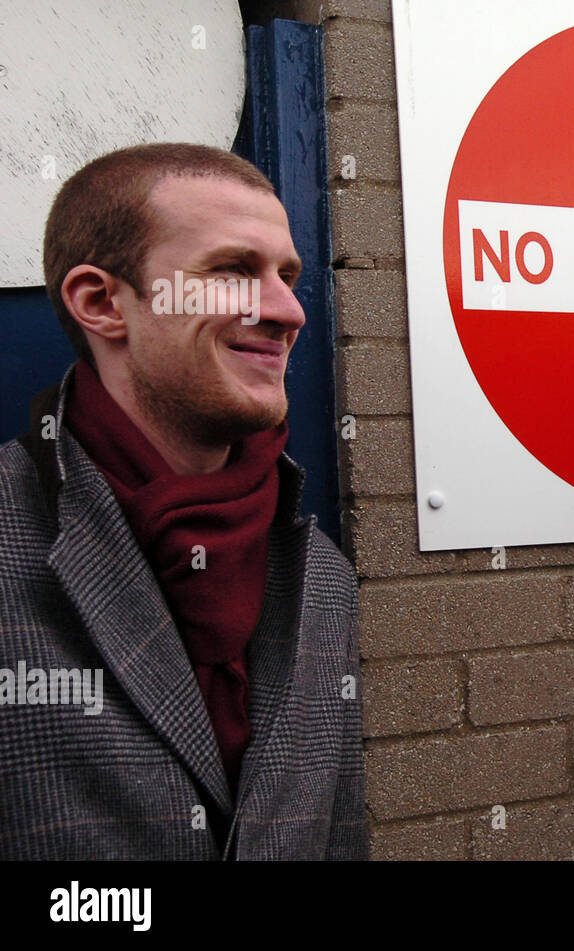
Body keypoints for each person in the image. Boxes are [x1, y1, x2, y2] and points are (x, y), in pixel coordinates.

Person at [0, 143, 367, 859]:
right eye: (234, 271)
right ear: (103, 302)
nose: (287, 310)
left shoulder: (320, 574)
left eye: (287, 276)